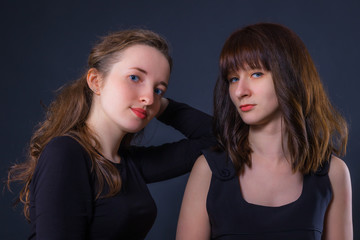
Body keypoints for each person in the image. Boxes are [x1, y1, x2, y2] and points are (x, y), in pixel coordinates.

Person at [7, 29, 215, 239]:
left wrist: (161, 105)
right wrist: (150, 98)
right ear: (96, 81)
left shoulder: (129, 163)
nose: (149, 98)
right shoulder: (65, 153)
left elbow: (217, 138)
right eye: (135, 78)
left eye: (158, 90)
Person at [176, 23, 352, 240]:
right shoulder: (207, 170)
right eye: (233, 79)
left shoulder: (333, 173)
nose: (240, 91)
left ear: (290, 75)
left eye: (256, 74)